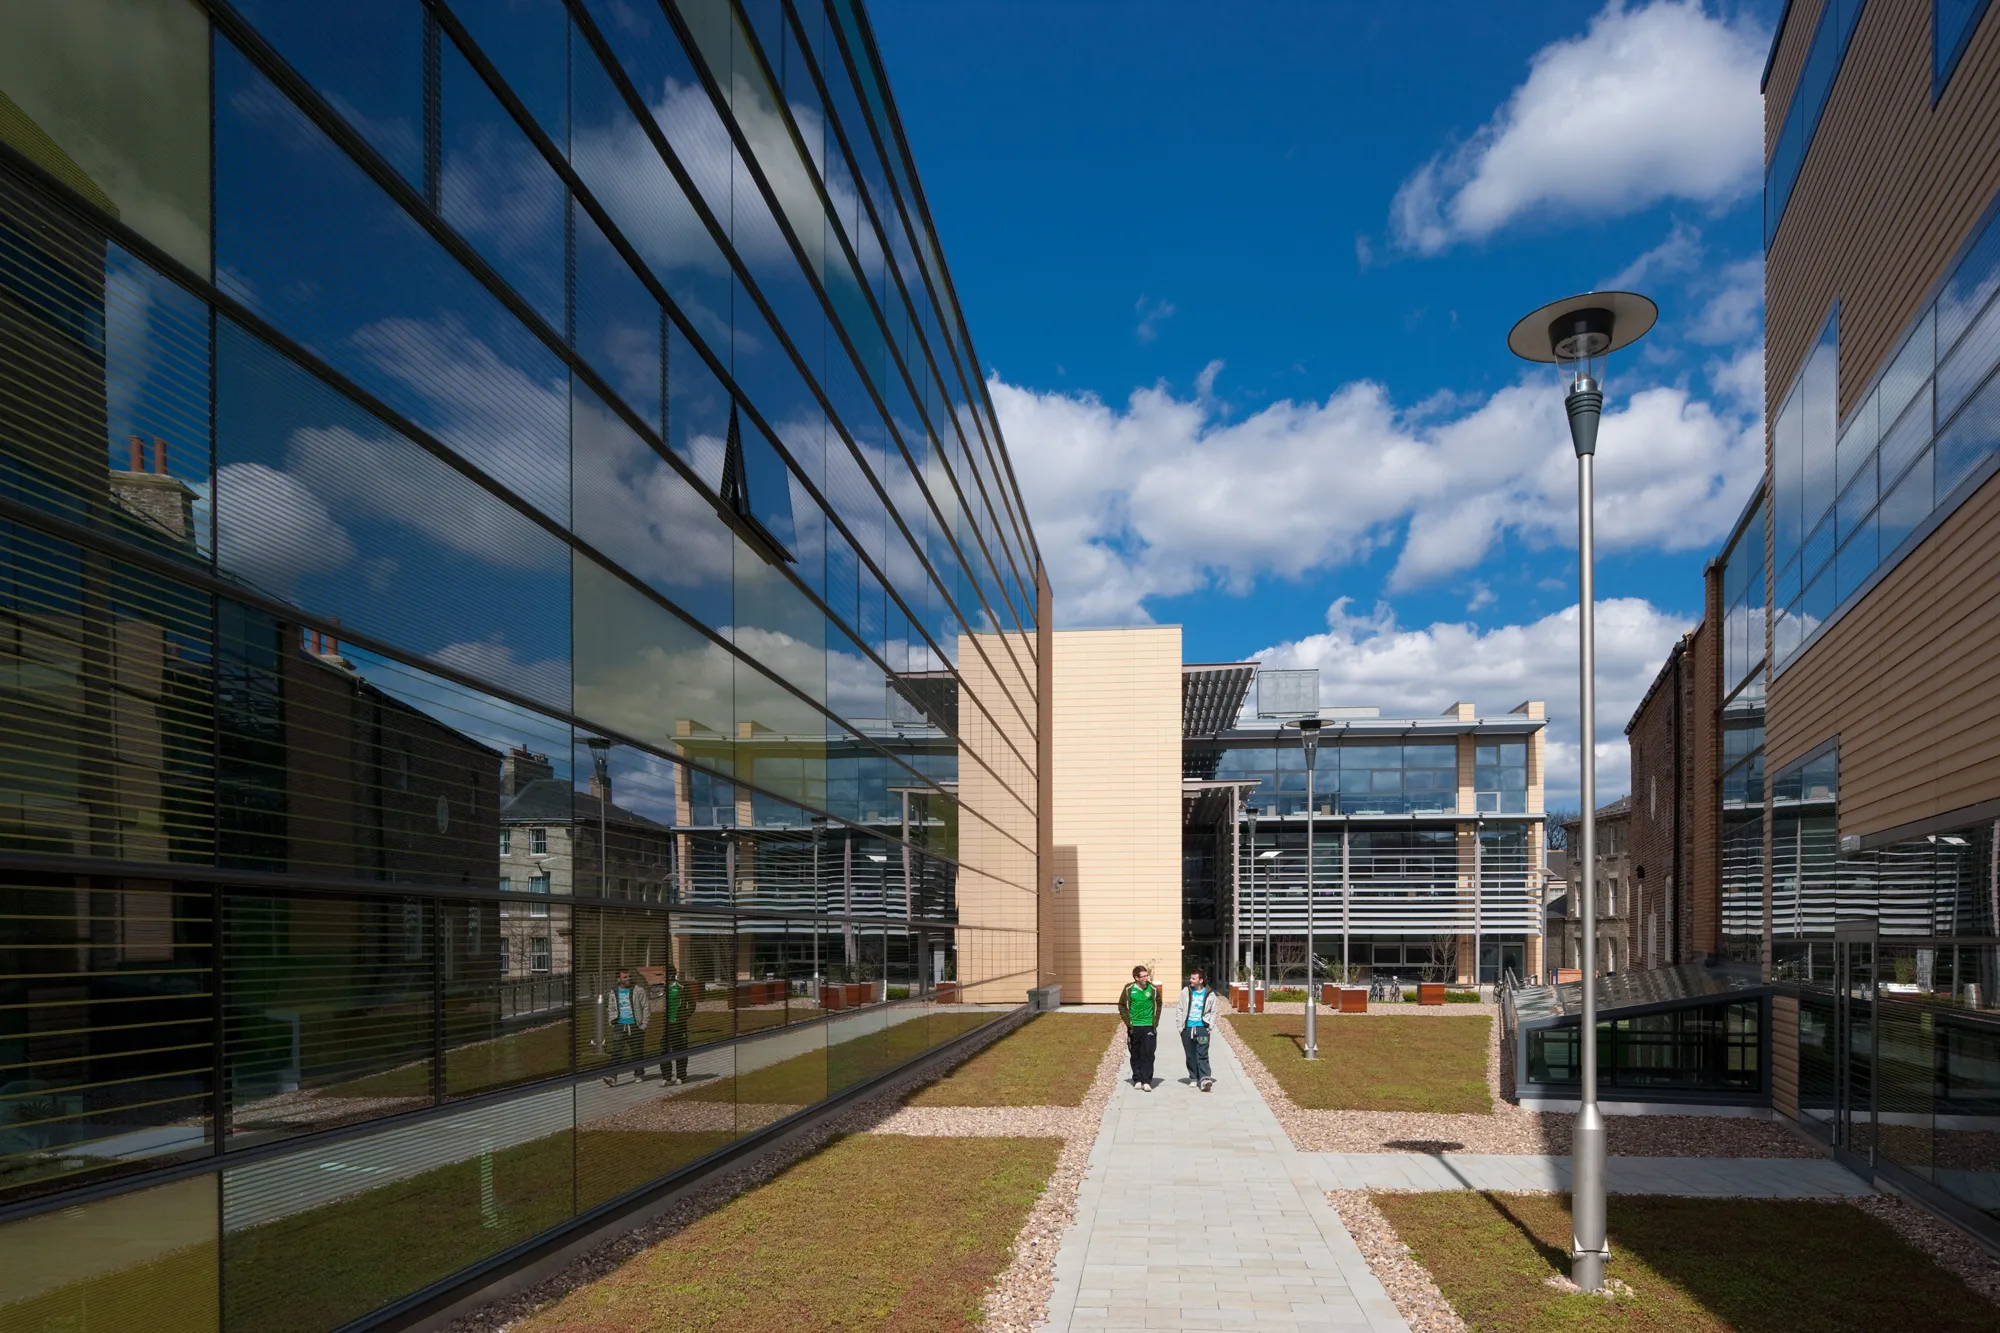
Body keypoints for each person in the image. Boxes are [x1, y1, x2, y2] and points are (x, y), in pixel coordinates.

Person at [1118, 964, 1161, 1091]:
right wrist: (1128, 1021)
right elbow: (1121, 1005)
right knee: (1135, 1053)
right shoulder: (1128, 989)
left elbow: (1158, 1003)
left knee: (1148, 1053)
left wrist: (1155, 1021)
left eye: (1147, 975)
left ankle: (1146, 1080)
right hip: (1134, 1026)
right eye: (1143, 976)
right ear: (1136, 978)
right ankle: (1137, 1079)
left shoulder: (1152, 988)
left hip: (1148, 1025)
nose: (1146, 978)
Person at [603, 968, 649, 1086]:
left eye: (629, 976)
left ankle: (638, 1074)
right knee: (617, 1051)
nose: (628, 979)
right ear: (618, 979)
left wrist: (644, 1024)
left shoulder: (638, 990)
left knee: (637, 1051)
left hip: (635, 1025)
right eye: (625, 977)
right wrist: (612, 1023)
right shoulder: (614, 992)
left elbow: (646, 1007)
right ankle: (612, 1077)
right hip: (620, 1025)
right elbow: (611, 1008)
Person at [1178, 968, 1217, 1092]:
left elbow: (1213, 1011)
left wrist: (1209, 1026)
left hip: (1202, 1029)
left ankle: (1205, 1079)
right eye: (1190, 978)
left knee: (1202, 1054)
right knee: (1190, 1055)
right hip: (1187, 1029)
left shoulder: (1210, 994)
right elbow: (1179, 1009)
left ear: (1201, 980)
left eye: (1193, 978)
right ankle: (1194, 1077)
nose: (1190, 980)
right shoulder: (1186, 991)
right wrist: (1180, 1027)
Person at [658, 965, 693, 1084]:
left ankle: (681, 1076)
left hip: (679, 1025)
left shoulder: (681, 987)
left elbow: (692, 1004)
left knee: (680, 1050)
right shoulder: (664, 988)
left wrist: (683, 1017)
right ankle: (666, 1077)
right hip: (667, 1025)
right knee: (664, 1050)